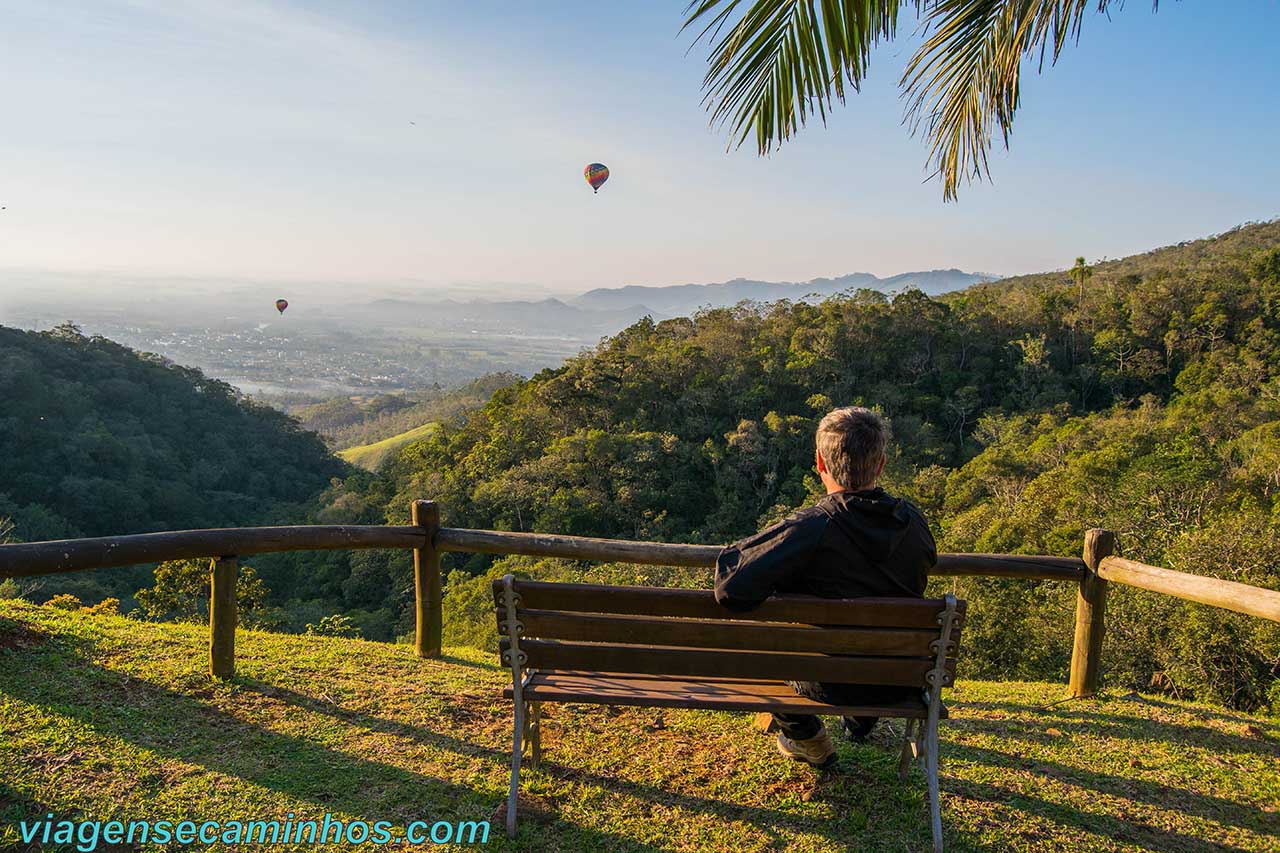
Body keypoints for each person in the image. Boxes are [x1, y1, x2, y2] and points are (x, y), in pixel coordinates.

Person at [713, 406, 937, 768]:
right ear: (880, 465)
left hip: (826, 681)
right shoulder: (913, 522)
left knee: (769, 653)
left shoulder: (812, 527)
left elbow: (730, 590)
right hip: (897, 677)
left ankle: (807, 737)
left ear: (819, 462)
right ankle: (861, 721)